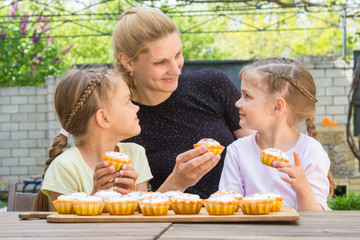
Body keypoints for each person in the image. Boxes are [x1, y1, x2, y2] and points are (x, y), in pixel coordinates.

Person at [112, 7, 253, 199]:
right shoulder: (121, 121)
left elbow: (258, 154)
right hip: (167, 228)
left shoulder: (213, 85)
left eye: (178, 54)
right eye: (160, 62)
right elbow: (133, 210)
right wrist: (176, 182)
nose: (176, 70)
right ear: (128, 62)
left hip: (240, 219)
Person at [219, 57, 334, 210]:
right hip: (250, 234)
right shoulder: (237, 151)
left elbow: (316, 219)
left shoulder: (311, 151)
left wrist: (302, 187)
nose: (237, 103)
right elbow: (229, 206)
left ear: (277, 107)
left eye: (247, 96)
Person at [34, 67, 153, 211]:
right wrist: (94, 197)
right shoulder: (65, 168)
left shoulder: (136, 154)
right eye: (128, 101)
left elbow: (144, 221)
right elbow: (64, 229)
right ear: (103, 118)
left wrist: (132, 196)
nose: (136, 107)